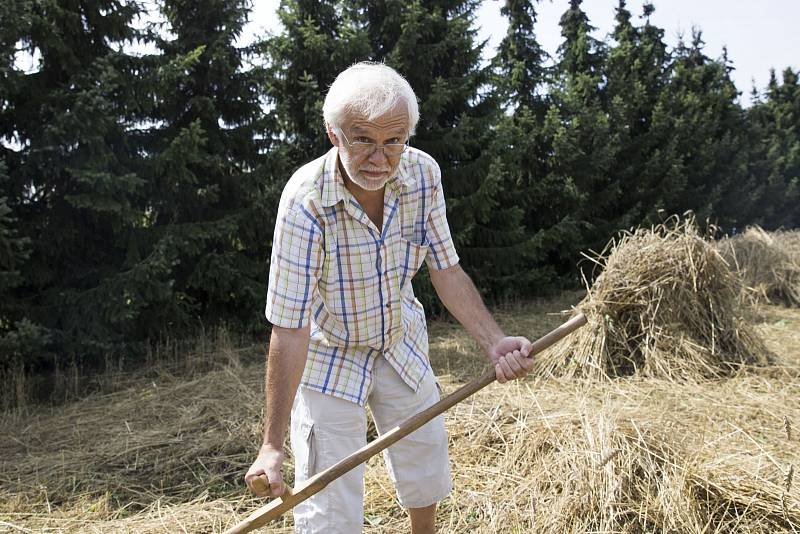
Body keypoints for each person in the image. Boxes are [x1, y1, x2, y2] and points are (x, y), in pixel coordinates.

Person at [245, 62, 534, 534]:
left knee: (424, 459)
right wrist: (272, 445)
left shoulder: (423, 175)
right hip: (329, 353)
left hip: (400, 339)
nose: (380, 157)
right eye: (363, 139)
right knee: (326, 498)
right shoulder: (306, 202)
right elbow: (290, 325)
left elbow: (446, 267)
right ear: (333, 133)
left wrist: (492, 341)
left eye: (393, 141)